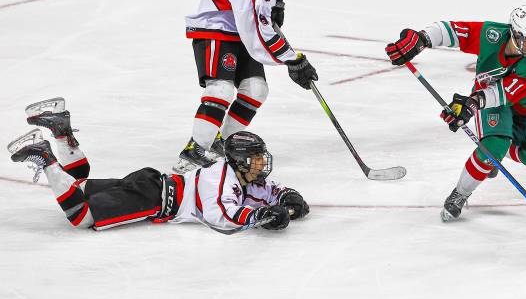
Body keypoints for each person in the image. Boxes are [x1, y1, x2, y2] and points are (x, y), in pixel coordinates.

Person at [9, 98, 309, 232]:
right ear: (241, 161)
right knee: (81, 217)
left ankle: (62, 133)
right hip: (153, 198)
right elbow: (222, 217)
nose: (260, 164)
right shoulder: (220, 178)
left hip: (153, 183)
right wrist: (260, 216)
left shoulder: (239, 175)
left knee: (79, 185)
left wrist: (287, 201)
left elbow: (269, 191)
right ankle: (46, 156)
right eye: (255, 159)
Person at [385, 5, 526, 222]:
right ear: (515, 34)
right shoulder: (491, 35)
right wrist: (422, 39)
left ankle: (494, 158)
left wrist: (471, 104)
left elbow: (503, 92)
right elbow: (454, 31)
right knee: (493, 146)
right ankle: (461, 193)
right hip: (492, 101)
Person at [175, 0, 319, 173]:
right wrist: (293, 60)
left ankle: (225, 142)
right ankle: (194, 151)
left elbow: (257, 25)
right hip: (214, 28)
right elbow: (260, 33)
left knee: (256, 90)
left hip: (237, 33)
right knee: (220, 90)